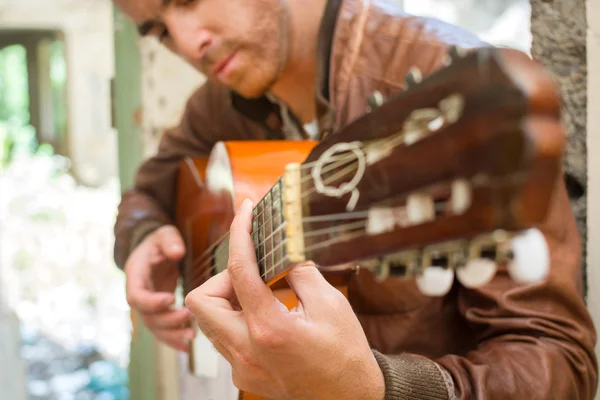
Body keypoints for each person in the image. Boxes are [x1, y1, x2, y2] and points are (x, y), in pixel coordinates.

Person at [113, 0, 598, 398]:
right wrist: (142, 234)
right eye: (160, 32)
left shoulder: (447, 94)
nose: (188, 41)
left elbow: (559, 362)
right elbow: (152, 186)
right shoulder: (219, 104)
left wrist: (382, 388)